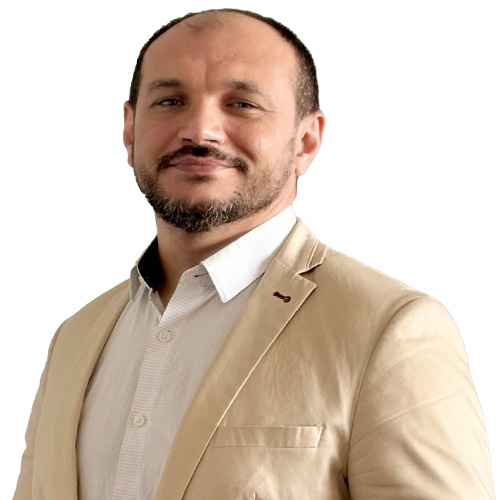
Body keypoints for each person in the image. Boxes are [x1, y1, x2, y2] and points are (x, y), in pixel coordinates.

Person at [13, 8, 494, 500]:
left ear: (305, 141)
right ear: (130, 129)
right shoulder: (74, 340)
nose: (200, 131)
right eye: (170, 100)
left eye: (242, 104)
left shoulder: (389, 330)